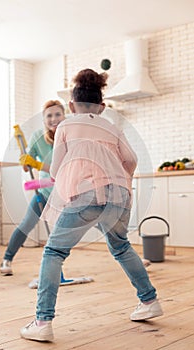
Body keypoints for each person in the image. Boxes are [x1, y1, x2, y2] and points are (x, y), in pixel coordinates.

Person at [20, 69, 163, 342]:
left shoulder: (65, 125)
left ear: (71, 106)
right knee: (121, 246)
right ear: (103, 106)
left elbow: (57, 169)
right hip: (120, 195)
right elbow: (131, 160)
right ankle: (149, 301)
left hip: (87, 194)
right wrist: (119, 182)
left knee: (54, 251)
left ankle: (42, 320)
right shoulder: (113, 127)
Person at [0, 100, 65, 276]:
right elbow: (27, 166)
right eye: (49, 115)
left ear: (64, 115)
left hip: (67, 192)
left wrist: (35, 163)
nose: (54, 119)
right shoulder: (38, 137)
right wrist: (26, 161)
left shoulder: (69, 136)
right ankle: (7, 259)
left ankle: (125, 253)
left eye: (57, 114)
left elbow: (60, 169)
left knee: (95, 219)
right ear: (44, 120)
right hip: (45, 192)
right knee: (27, 223)